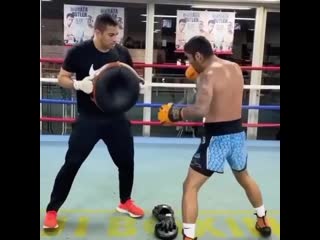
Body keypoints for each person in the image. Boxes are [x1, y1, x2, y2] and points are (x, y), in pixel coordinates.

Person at [157, 36, 272, 240]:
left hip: (217, 139)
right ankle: (262, 218)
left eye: (189, 58)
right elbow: (228, 95)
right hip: (237, 135)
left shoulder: (206, 76)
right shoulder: (235, 67)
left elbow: (201, 109)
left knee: (190, 186)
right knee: (245, 177)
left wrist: (175, 113)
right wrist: (200, 84)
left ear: (199, 55)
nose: (188, 63)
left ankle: (189, 237)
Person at [43, 13, 144, 229]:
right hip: (89, 119)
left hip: (116, 118)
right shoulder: (79, 52)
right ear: (97, 32)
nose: (115, 38)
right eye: (110, 34)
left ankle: (125, 201)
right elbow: (62, 78)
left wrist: (136, 84)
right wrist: (78, 85)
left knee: (126, 162)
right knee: (72, 163)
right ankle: (52, 210)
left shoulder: (121, 52)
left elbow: (127, 78)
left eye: (117, 34)